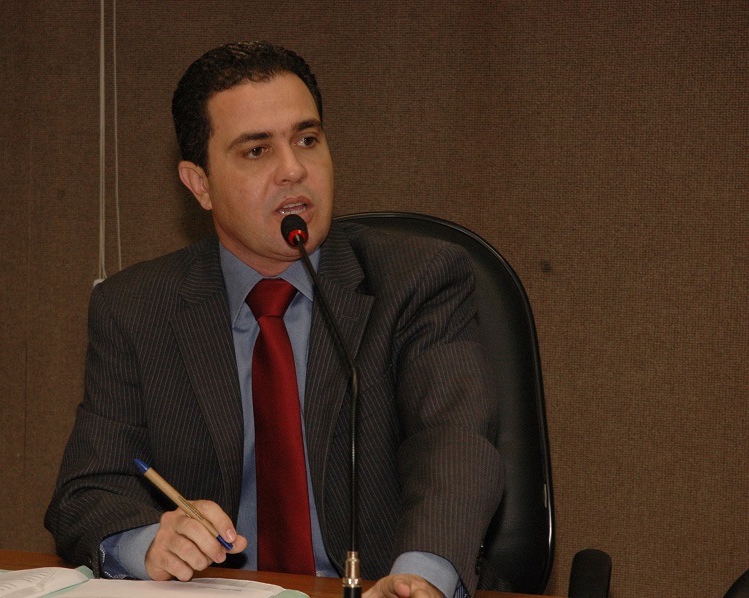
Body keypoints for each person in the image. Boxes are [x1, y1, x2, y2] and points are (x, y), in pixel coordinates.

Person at [45, 41, 504, 598]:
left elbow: (454, 444)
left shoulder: (416, 280)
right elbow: (88, 490)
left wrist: (421, 578)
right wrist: (148, 543)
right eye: (257, 151)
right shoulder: (136, 308)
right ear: (199, 183)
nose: (293, 170)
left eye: (307, 140)